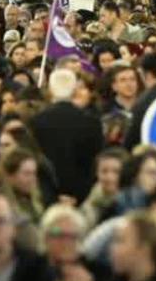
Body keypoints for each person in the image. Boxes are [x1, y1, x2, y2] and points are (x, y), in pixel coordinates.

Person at [29, 68, 104, 203]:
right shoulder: (91, 122)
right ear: (74, 90)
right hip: (83, 195)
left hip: (47, 195)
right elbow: (95, 162)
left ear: (50, 91)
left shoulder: (36, 121)